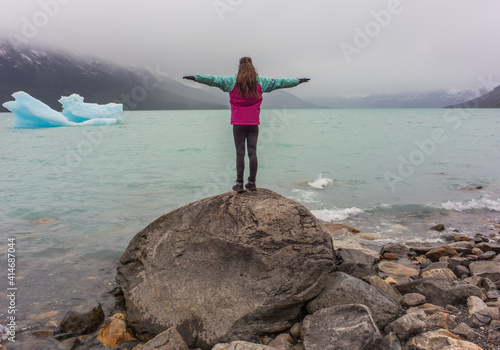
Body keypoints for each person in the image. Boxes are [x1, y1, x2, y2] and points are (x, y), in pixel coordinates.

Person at [183, 57, 309, 192]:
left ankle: (239, 184)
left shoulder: (231, 82)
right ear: (252, 67)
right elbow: (280, 82)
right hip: (253, 123)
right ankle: (252, 183)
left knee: (240, 153)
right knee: (252, 153)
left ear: (240, 67)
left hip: (238, 123)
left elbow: (213, 80)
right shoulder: (260, 82)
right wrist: (298, 81)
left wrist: (196, 78)